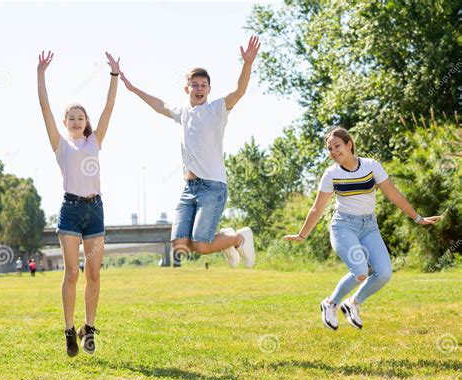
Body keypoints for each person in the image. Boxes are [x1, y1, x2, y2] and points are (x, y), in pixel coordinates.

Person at [119, 37, 261, 268]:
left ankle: (238, 238)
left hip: (212, 187)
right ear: (187, 89)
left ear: (209, 89)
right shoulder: (182, 112)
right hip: (189, 188)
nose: (199, 89)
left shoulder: (217, 109)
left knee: (201, 245)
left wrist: (247, 64)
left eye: (203, 85)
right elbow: (158, 105)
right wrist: (133, 88)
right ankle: (227, 239)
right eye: (195, 85)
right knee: (180, 245)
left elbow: (239, 91)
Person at [284, 127, 440, 330]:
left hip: (369, 227)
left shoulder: (370, 166)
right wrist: (302, 234)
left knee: (383, 273)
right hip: (343, 226)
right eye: (329, 148)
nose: (333, 151)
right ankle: (330, 303)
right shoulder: (331, 174)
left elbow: (393, 194)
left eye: (337, 146)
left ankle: (353, 303)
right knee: (360, 270)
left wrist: (418, 218)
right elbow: (317, 208)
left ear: (349, 144)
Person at [37, 50, 120, 357]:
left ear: (86, 122)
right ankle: (69, 329)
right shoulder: (60, 144)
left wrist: (114, 75)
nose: (75, 121)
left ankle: (90, 328)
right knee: (72, 273)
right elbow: (44, 108)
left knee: (94, 274)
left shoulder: (94, 141)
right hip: (70, 211)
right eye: (70, 118)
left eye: (80, 117)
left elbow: (109, 108)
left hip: (95, 210)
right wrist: (41, 75)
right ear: (65, 122)